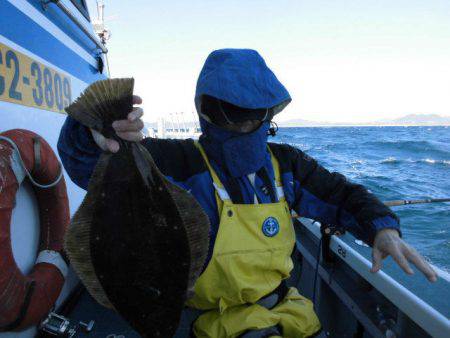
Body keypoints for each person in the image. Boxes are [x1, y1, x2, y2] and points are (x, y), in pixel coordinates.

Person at [58, 49, 437, 337]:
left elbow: (341, 196)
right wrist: (97, 133)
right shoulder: (176, 161)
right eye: (232, 113)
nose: (245, 123)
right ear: (205, 112)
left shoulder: (286, 165)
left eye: (255, 114)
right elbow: (86, 164)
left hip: (288, 312)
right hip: (209, 323)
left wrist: (381, 228)